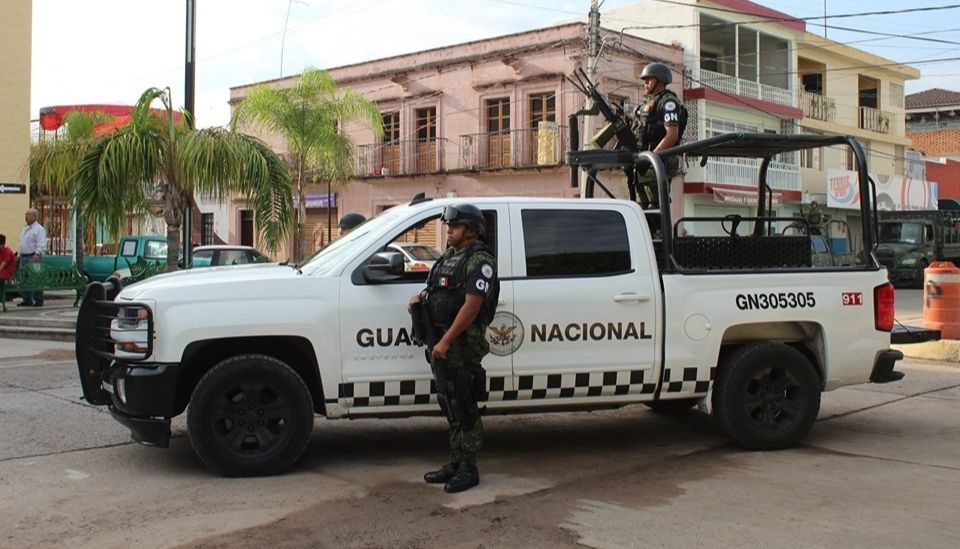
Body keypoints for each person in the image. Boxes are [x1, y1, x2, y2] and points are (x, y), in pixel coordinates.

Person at [408, 203, 498, 493]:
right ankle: (456, 462)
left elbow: (471, 307)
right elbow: (438, 289)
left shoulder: (480, 261)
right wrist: (419, 299)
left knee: (464, 402)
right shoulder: (450, 256)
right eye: (449, 226)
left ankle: (469, 468)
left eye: (455, 227)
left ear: (471, 231)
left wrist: (446, 341)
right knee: (449, 401)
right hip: (442, 342)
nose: (449, 231)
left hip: (461, 344)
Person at [635, 62, 686, 210]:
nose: (645, 83)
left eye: (649, 80)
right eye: (644, 80)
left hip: (659, 162)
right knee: (643, 208)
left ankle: (659, 234)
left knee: (656, 207)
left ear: (660, 81)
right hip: (646, 162)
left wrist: (652, 158)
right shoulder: (649, 103)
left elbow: (672, 135)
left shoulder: (668, 103)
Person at [18, 208, 47, 307]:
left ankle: (38, 300)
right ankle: (27, 299)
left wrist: (38, 253)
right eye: (26, 214)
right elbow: (22, 243)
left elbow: (41, 243)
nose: (26, 216)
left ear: (35, 216)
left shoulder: (39, 229)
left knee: (35, 278)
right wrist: (18, 255)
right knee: (24, 278)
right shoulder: (25, 228)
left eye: (28, 214)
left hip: (33, 256)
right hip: (24, 256)